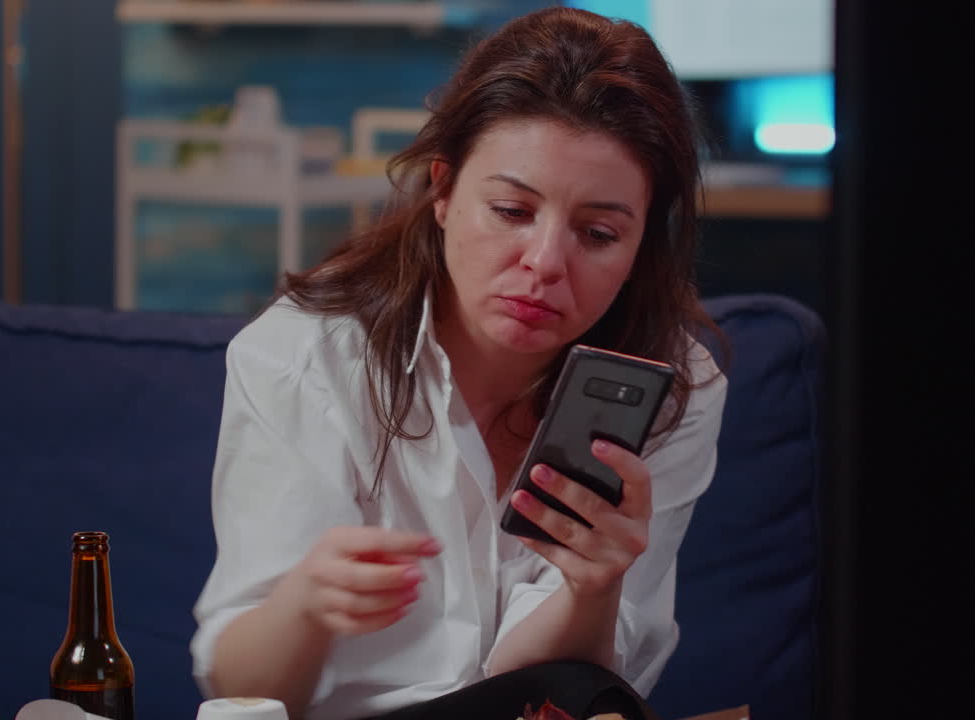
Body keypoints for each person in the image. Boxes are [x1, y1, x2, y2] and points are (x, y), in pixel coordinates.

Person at [190, 7, 728, 720]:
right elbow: (242, 692)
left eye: (598, 233)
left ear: (641, 249)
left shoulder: (673, 388)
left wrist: (593, 588)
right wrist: (305, 606)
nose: (544, 264)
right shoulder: (306, 357)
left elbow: (551, 689)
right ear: (442, 191)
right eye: (510, 210)